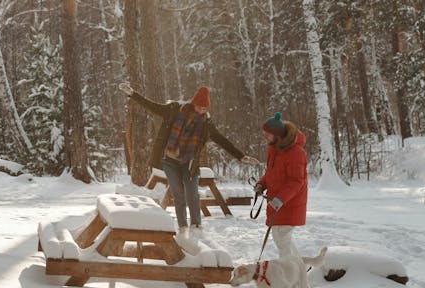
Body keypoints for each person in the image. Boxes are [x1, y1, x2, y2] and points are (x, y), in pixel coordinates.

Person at [119, 82, 258, 235]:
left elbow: (221, 139)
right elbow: (153, 107)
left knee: (192, 194)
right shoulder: (174, 110)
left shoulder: (206, 123)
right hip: (170, 161)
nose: (201, 111)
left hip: (190, 164)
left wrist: (241, 156)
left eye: (204, 109)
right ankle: (183, 226)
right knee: (178, 194)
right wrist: (133, 94)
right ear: (193, 103)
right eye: (199, 107)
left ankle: (196, 226)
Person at [253, 112, 308, 258]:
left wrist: (281, 199)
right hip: (276, 202)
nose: (265, 136)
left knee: (281, 238)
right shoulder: (274, 149)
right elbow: (271, 173)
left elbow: (296, 181)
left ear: (278, 136)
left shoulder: (296, 152)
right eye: (264, 133)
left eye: (268, 134)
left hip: (289, 203)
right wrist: (261, 184)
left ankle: (291, 272)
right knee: (282, 239)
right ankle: (297, 269)